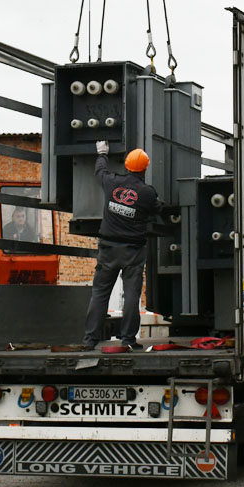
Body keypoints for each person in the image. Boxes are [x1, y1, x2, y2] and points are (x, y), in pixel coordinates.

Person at [82, 141, 160, 351]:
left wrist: (102, 153)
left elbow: (100, 170)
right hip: (132, 252)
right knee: (132, 295)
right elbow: (156, 209)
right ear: (145, 168)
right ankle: (128, 340)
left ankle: (90, 340)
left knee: (99, 293)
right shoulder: (147, 193)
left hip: (108, 249)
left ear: (126, 166)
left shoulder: (112, 182)